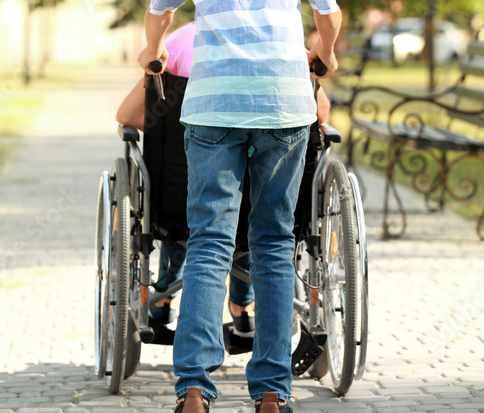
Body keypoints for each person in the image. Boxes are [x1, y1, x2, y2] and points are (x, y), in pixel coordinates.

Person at [137, 0, 342, 413]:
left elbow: (161, 9)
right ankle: (272, 398)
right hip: (283, 101)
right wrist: (323, 56)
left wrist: (151, 52)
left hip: (214, 102)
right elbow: (328, 15)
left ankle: (194, 396)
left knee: (208, 243)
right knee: (276, 243)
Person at [115, 22, 332, 337]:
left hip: (184, 199)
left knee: (189, 214)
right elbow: (319, 114)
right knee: (261, 215)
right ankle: (243, 305)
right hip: (270, 201)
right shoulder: (282, 42)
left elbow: (128, 116)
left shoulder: (176, 43)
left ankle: (162, 296)